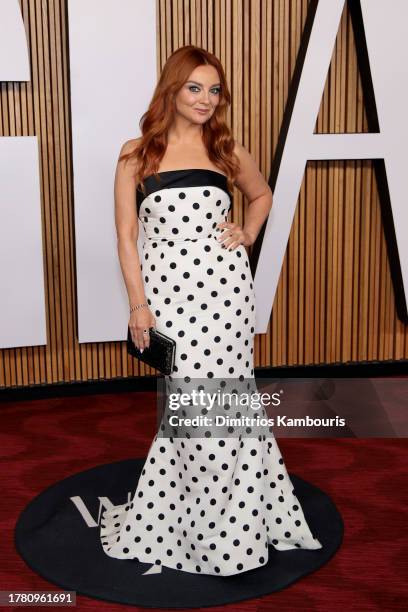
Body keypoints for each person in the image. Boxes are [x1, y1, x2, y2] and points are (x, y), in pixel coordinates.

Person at [99, 44, 322, 576]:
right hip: (169, 301)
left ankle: (238, 524)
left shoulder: (226, 148)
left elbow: (262, 195)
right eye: (194, 87)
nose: (205, 98)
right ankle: (189, 521)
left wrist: (246, 231)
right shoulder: (136, 153)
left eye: (214, 89)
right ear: (172, 90)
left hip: (225, 296)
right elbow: (127, 237)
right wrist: (138, 306)